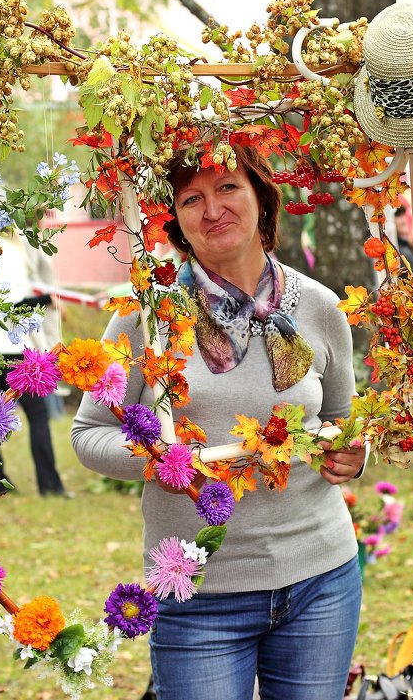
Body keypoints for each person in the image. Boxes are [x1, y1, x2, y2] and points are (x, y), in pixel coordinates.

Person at [71, 142, 365, 700]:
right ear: (176, 220)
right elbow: (87, 435)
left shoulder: (321, 308)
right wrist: (157, 460)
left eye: (227, 187)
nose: (212, 210)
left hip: (320, 580)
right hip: (199, 594)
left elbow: (339, 421)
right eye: (191, 199)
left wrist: (353, 455)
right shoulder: (146, 316)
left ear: (261, 195)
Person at [0, 231, 67, 497]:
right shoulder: (3, 249)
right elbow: (12, 305)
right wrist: (45, 301)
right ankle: (49, 484)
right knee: (34, 417)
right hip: (10, 348)